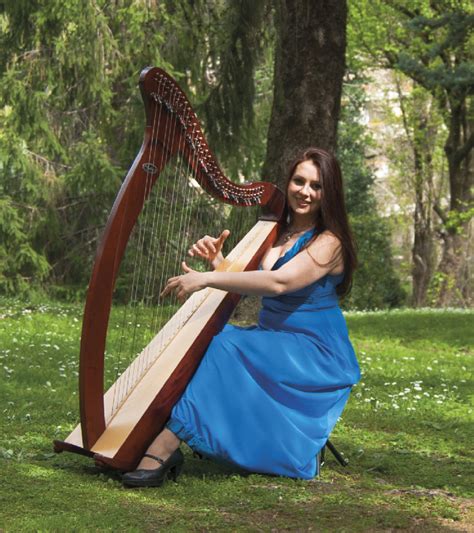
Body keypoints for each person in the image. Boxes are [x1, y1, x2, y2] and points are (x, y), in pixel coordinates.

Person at [122, 147, 360, 487]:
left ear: (329, 192)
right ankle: (158, 436)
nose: (305, 191)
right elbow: (258, 283)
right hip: (277, 340)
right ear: (288, 182)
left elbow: (280, 283)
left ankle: (163, 447)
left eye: (316, 186)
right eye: (299, 181)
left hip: (314, 352)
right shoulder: (280, 232)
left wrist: (206, 279)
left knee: (226, 344)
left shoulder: (330, 241)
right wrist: (219, 262)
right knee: (216, 341)